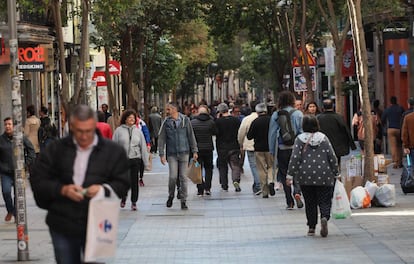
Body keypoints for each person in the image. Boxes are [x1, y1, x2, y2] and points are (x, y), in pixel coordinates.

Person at [30, 105, 130, 264]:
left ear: (94, 126)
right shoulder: (56, 149)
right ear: (72, 127)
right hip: (62, 220)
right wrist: (62, 190)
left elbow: (123, 182)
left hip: (97, 221)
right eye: (79, 131)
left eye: (88, 131)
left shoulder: (112, 151)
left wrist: (102, 190)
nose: (84, 136)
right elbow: (38, 179)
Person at [287, 115, 339, 237]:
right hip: (324, 175)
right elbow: (332, 156)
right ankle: (325, 217)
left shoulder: (300, 139)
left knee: (310, 202)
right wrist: (336, 172)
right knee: (325, 200)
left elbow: (295, 158)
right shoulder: (324, 138)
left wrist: (290, 175)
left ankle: (311, 227)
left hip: (305, 176)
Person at [158, 102, 198, 210]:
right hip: (172, 154)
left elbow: (191, 136)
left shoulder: (185, 120)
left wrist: (194, 151)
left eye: (168, 109)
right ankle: (171, 195)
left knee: (183, 177)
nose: (167, 112)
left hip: (184, 152)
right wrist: (161, 154)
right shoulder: (166, 122)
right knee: (173, 177)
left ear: (174, 109)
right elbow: (161, 138)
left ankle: (183, 200)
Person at [268, 91, 304, 209]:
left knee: (284, 174)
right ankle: (297, 192)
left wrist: (272, 150)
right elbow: (302, 132)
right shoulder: (298, 113)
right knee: (297, 172)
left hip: (282, 149)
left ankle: (289, 201)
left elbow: (272, 134)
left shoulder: (276, 115)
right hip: (296, 148)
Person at [0, 117, 35, 223]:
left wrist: (25, 163)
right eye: (6, 124)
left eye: (9, 124)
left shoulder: (20, 138)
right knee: (6, 192)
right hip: (5, 172)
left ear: (13, 126)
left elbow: (31, 150)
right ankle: (10, 210)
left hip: (18, 172)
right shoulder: (1, 140)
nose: (7, 126)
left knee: (18, 194)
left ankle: (15, 213)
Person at [113, 109, 149, 211]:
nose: (132, 120)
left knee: (134, 182)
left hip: (135, 159)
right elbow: (114, 146)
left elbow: (143, 147)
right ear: (125, 119)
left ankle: (134, 202)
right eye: (129, 118)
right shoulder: (118, 131)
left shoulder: (138, 131)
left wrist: (146, 162)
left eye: (133, 118)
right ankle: (123, 198)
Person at [317, 99, 356, 168]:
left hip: (322, 145)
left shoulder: (318, 118)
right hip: (337, 146)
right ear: (333, 106)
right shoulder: (338, 117)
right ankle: (336, 175)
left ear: (323, 107)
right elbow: (346, 130)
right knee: (336, 163)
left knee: (325, 162)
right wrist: (352, 145)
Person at [247, 103, 274, 198]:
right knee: (271, 166)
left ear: (257, 112)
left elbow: (249, 136)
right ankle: (271, 181)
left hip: (258, 148)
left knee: (261, 169)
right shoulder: (271, 120)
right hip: (270, 148)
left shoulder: (255, 122)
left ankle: (265, 191)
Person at [215, 103, 242, 192]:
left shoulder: (218, 122)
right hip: (234, 146)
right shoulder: (236, 120)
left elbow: (215, 132)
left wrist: (217, 118)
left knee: (222, 166)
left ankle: (224, 185)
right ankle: (236, 180)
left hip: (222, 147)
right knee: (235, 165)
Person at [190, 105, 217, 196]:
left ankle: (200, 188)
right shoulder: (211, 122)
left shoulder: (192, 123)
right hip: (208, 149)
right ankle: (208, 188)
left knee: (198, 169)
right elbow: (215, 132)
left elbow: (190, 136)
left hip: (197, 151)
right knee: (209, 168)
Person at [238, 100, 261, 195]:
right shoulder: (264, 117)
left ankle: (258, 185)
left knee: (254, 165)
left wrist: (240, 143)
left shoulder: (247, 119)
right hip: (263, 145)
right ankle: (258, 184)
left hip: (250, 145)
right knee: (262, 166)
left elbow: (241, 132)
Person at [382, 96, 405, 168]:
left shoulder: (388, 110)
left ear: (390, 102)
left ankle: (395, 162)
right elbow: (404, 116)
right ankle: (400, 162)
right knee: (399, 146)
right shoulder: (400, 108)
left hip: (391, 129)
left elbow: (383, 119)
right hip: (399, 129)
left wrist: (384, 125)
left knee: (393, 146)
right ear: (396, 101)